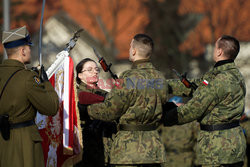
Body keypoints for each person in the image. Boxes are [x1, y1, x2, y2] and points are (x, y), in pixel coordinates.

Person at [80, 34, 168, 167]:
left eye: (130, 47)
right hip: (153, 147)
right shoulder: (160, 78)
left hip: (128, 149)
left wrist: (87, 110)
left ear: (134, 51)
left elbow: (111, 110)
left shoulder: (128, 78)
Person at [163, 35, 246, 167]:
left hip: (217, 150)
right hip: (233, 145)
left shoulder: (219, 80)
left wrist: (162, 115)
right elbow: (197, 85)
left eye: (215, 46)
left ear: (219, 51)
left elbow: (194, 109)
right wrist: (163, 86)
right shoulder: (235, 76)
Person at [0, 26, 59, 167]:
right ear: (23, 51)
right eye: (29, 47)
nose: (30, 51)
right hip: (23, 143)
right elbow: (51, 107)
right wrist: (46, 83)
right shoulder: (28, 78)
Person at [74, 58, 116, 167]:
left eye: (97, 69)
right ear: (80, 75)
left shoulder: (104, 93)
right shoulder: (76, 94)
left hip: (107, 145)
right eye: (89, 69)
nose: (95, 72)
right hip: (86, 146)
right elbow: (83, 101)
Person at [159, 96, 199, 167]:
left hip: (186, 160)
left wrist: (197, 161)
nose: (175, 111)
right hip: (168, 159)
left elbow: (197, 141)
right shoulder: (162, 121)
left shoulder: (191, 122)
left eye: (178, 107)